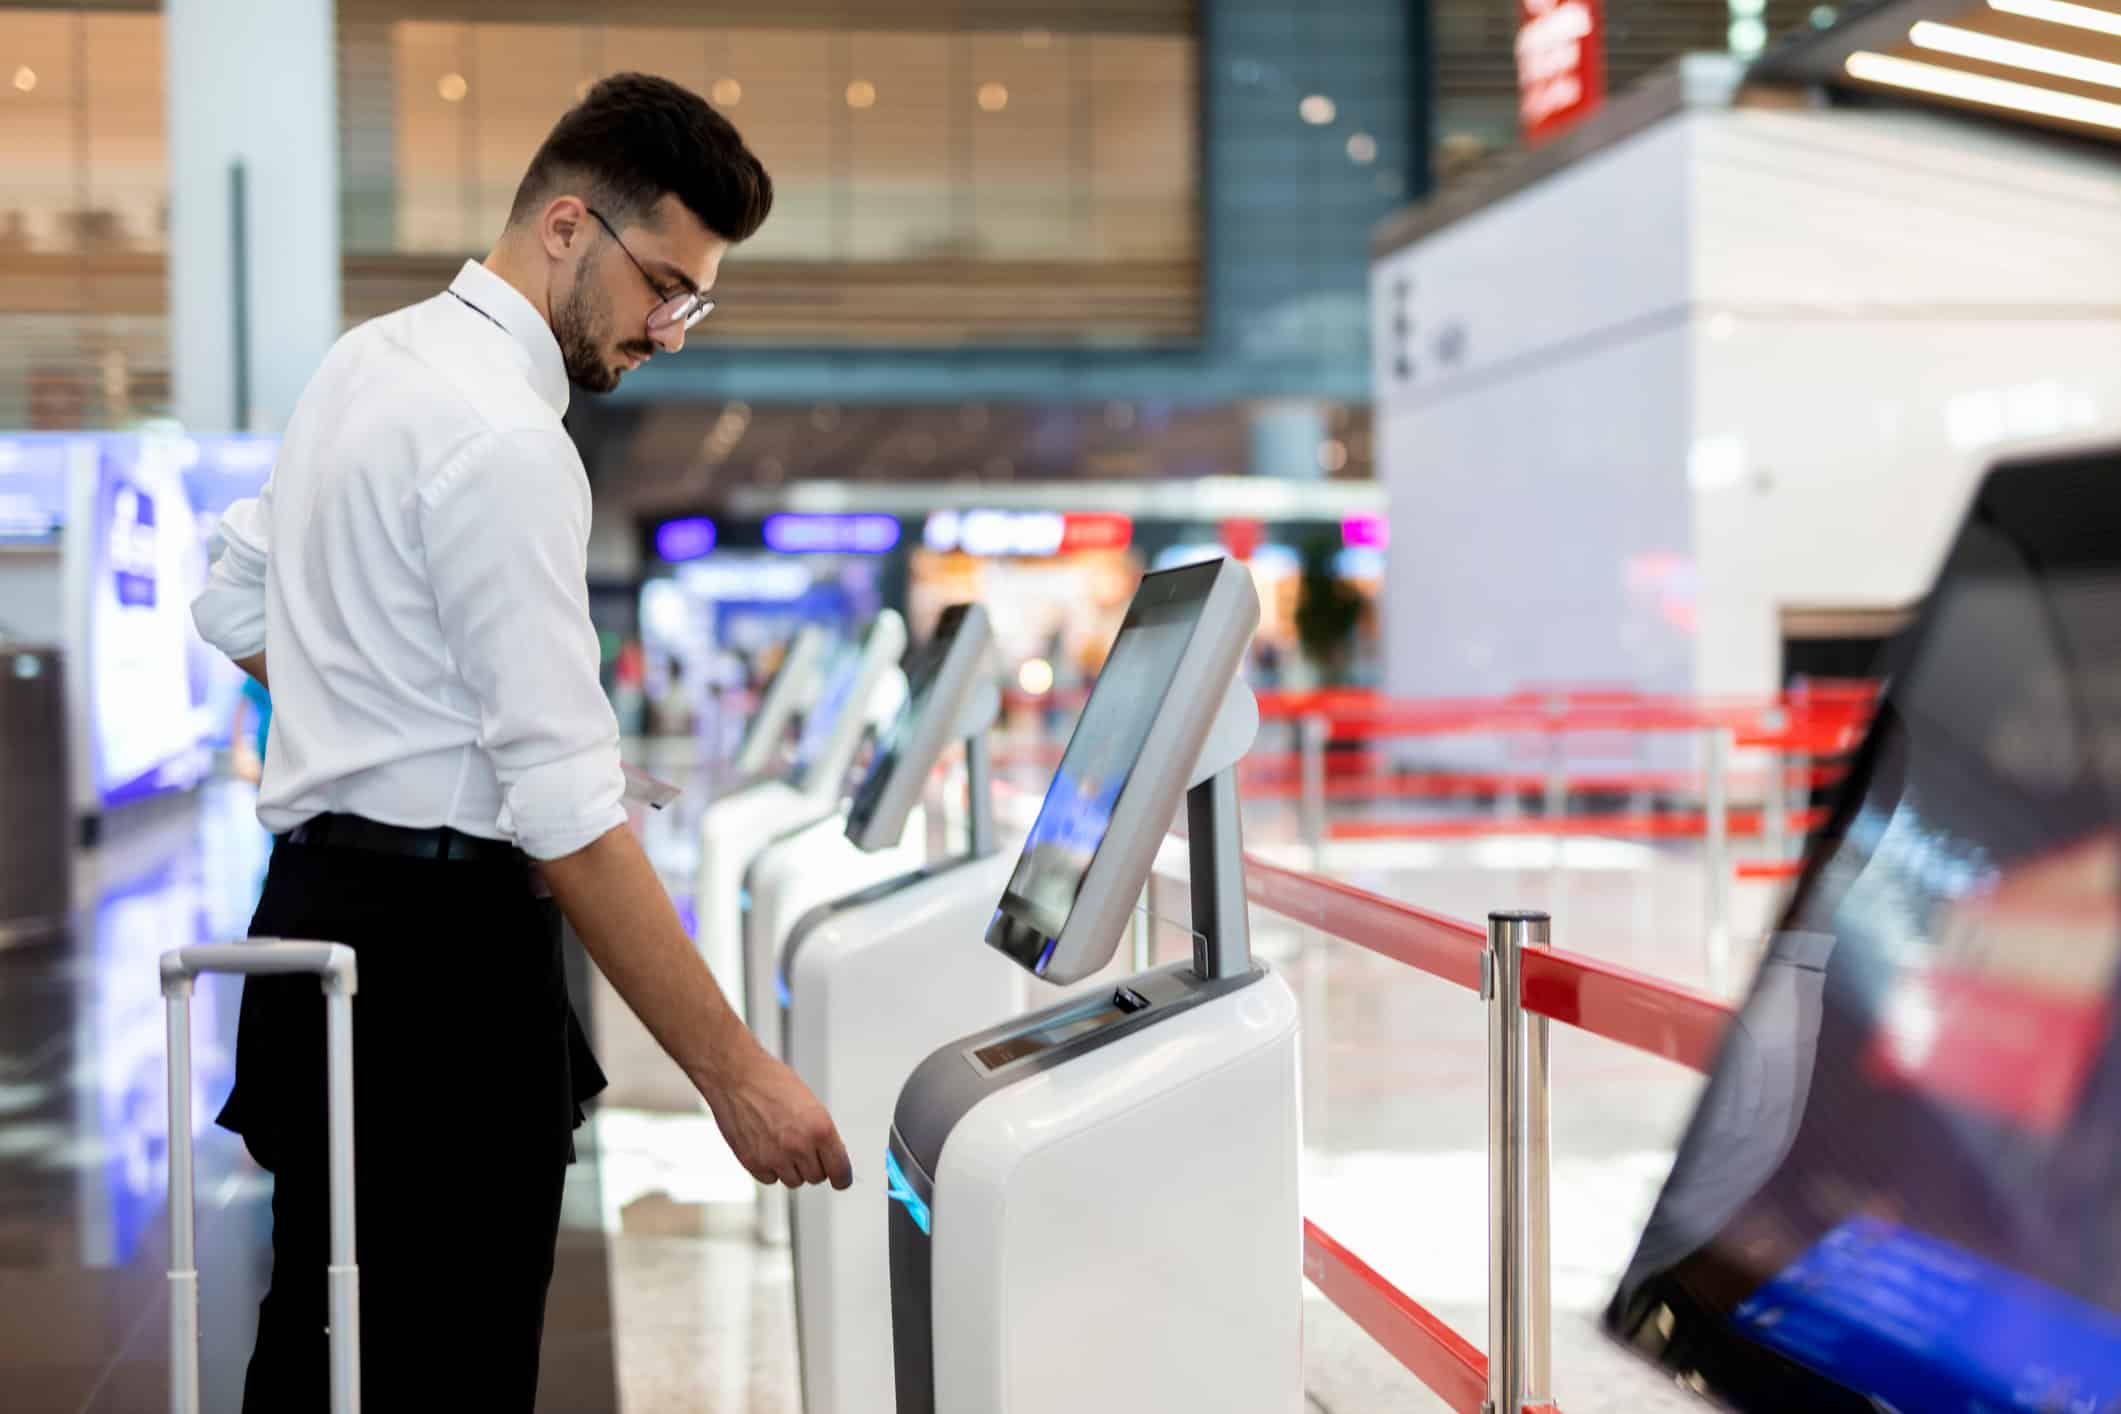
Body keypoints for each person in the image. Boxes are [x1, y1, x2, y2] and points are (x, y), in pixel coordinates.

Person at [189, 74, 851, 1410]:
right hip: (442, 967)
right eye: (661, 284)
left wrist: (380, 716)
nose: (669, 330)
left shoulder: (366, 362)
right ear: (565, 225)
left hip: (320, 918)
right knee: (450, 1360)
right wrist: (737, 1076)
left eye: (692, 300)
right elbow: (560, 813)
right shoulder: (504, 439)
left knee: (324, 1340)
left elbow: (232, 593)